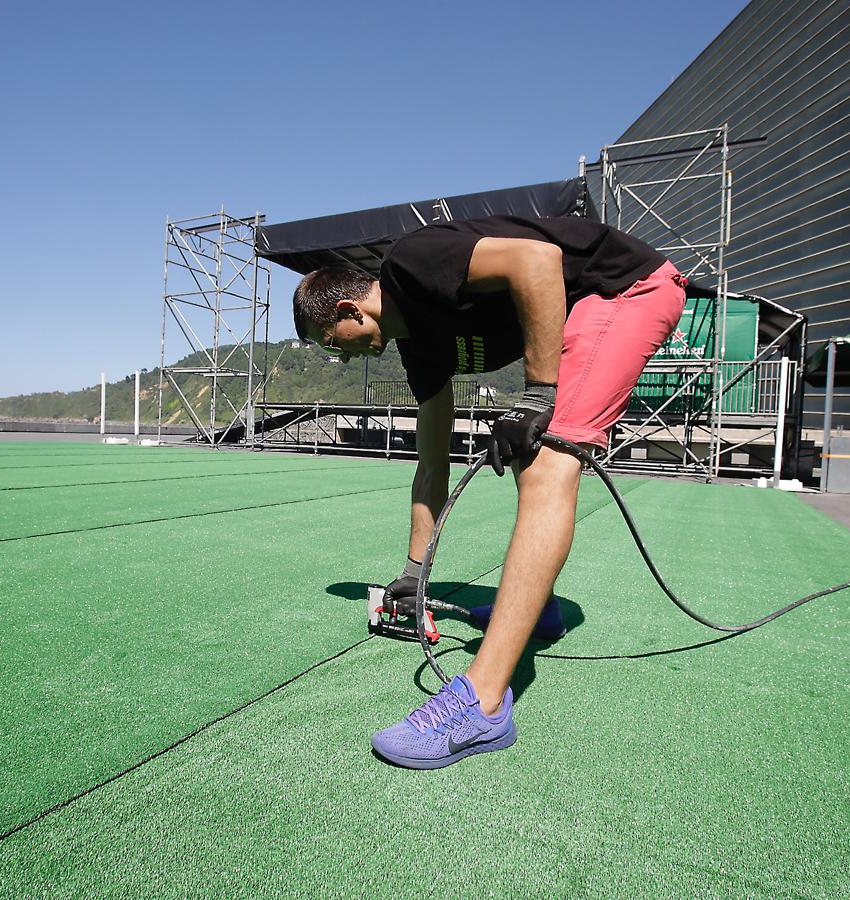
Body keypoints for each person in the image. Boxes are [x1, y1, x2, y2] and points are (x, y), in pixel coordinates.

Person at [292, 215, 686, 769]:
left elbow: (538, 261)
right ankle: (539, 611)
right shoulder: (418, 348)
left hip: (625, 289)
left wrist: (537, 395)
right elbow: (431, 464)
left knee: (548, 462)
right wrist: (414, 570)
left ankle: (483, 703)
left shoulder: (410, 262)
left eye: (336, 344)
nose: (346, 357)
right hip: (590, 307)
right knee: (536, 457)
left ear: (348, 310)